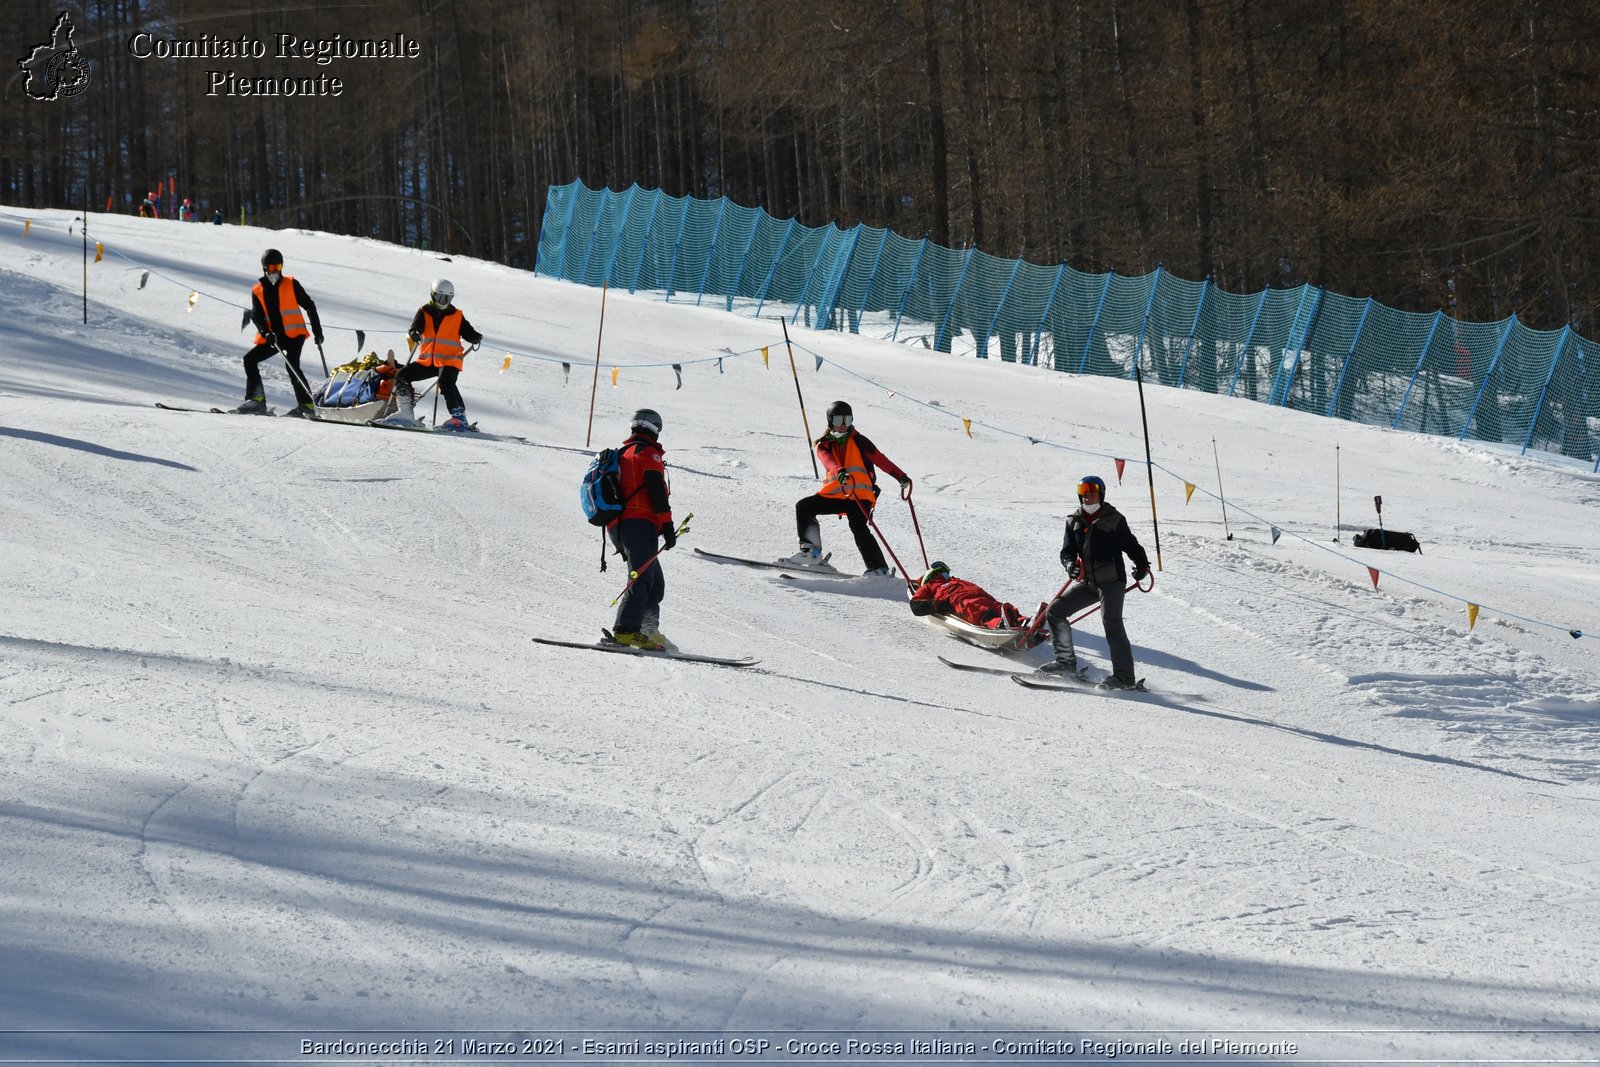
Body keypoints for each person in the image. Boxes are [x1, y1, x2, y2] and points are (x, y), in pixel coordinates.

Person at [1040, 475, 1152, 688]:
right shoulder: (1073, 521)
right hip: (1088, 581)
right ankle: (1065, 662)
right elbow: (1067, 551)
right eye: (1085, 494)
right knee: (1055, 611)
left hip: (1111, 581)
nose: (1088, 497)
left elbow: (1131, 546)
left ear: (1101, 495)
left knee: (1111, 622)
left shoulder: (1114, 519)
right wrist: (1070, 564)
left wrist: (1142, 566)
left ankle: (1124, 677)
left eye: (1093, 493)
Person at [790, 400, 911, 576]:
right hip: (836, 495)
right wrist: (840, 471)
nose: (843, 425)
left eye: (847, 420)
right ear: (831, 421)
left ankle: (878, 569)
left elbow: (881, 459)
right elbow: (828, 462)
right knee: (804, 506)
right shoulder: (823, 444)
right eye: (839, 420)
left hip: (860, 496)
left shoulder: (860, 441)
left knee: (859, 527)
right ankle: (811, 552)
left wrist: (901, 476)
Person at [605, 408, 676, 650]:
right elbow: (656, 491)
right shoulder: (647, 454)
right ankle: (626, 631)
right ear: (655, 428)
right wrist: (667, 524)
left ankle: (647, 629)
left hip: (622, 526)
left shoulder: (625, 452)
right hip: (638, 523)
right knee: (641, 577)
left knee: (654, 581)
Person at [380, 279, 482, 431]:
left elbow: (469, 333)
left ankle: (459, 419)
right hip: (428, 361)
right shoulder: (424, 312)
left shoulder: (457, 315)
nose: (444, 301)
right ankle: (406, 413)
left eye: (448, 298)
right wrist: (414, 333)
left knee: (446, 382)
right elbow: (415, 327)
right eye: (441, 297)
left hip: (449, 360)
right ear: (433, 295)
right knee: (402, 374)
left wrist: (475, 337)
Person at [237, 248, 324, 416]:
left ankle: (307, 405)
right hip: (274, 338)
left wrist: (317, 331)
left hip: (294, 335)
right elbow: (256, 316)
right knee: (249, 359)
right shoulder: (258, 290)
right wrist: (265, 333)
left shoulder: (291, 283)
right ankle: (257, 401)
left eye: (279, 266)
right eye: (272, 267)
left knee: (291, 364)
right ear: (265, 268)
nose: (276, 270)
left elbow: (309, 305)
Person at [909, 562, 1029, 630]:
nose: (945, 575)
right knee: (983, 613)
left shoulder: (957, 581)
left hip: (980, 598)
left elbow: (982, 592)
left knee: (1000, 608)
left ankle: (1023, 621)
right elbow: (916, 605)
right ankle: (1002, 624)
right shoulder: (929, 586)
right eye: (941, 572)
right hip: (963, 602)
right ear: (930, 576)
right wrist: (937, 604)